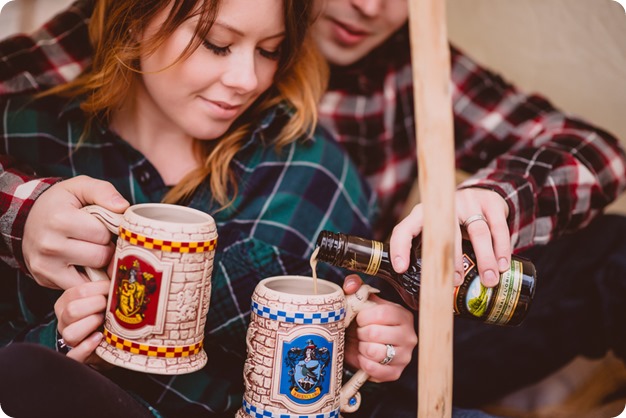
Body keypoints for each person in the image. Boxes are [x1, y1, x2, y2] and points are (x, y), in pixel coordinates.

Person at [3, 0, 626, 415]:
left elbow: (596, 149)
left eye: (271, 50)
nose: (370, 5)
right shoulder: (72, 96)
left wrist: (493, 198)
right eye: (218, 44)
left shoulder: (393, 86)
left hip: (369, 329)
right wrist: (23, 210)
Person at [0, 0, 420, 417]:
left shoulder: (311, 171)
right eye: (216, 44)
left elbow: (342, 360)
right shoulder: (29, 139)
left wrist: (366, 348)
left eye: (269, 50)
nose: (247, 79)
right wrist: (62, 342)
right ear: (132, 23)